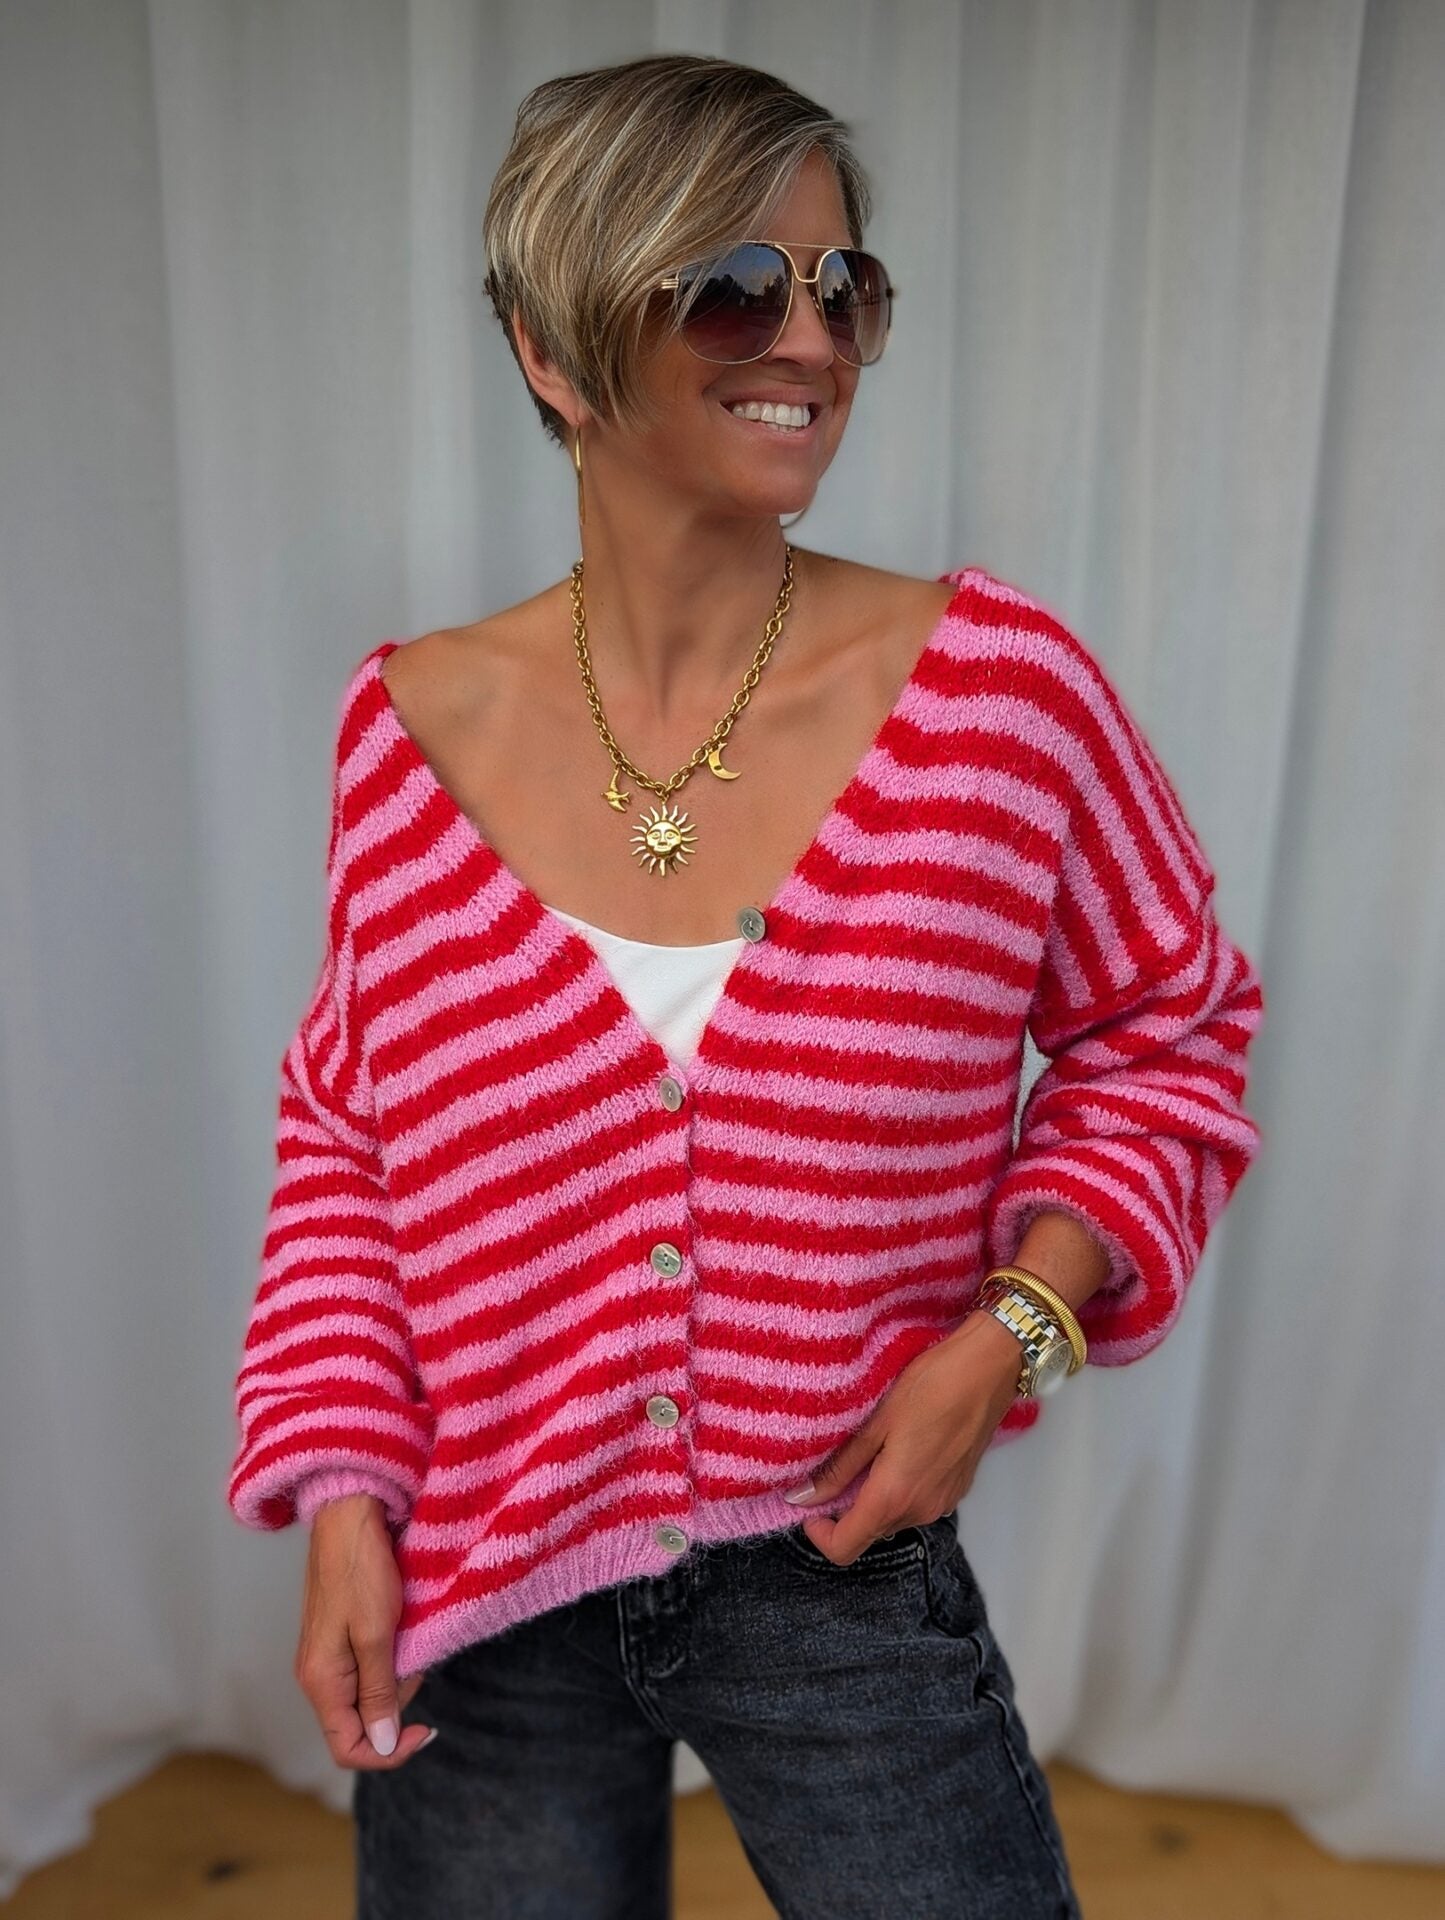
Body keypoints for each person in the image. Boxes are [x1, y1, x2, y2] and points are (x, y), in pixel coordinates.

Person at [227, 52, 1264, 1919]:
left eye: (840, 286)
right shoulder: (406, 731)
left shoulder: (999, 700)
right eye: (730, 285)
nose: (808, 338)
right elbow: (346, 1142)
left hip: (841, 1559)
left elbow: (1164, 1032)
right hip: (487, 1584)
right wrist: (342, 1494)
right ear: (553, 349)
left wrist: (1008, 1336)